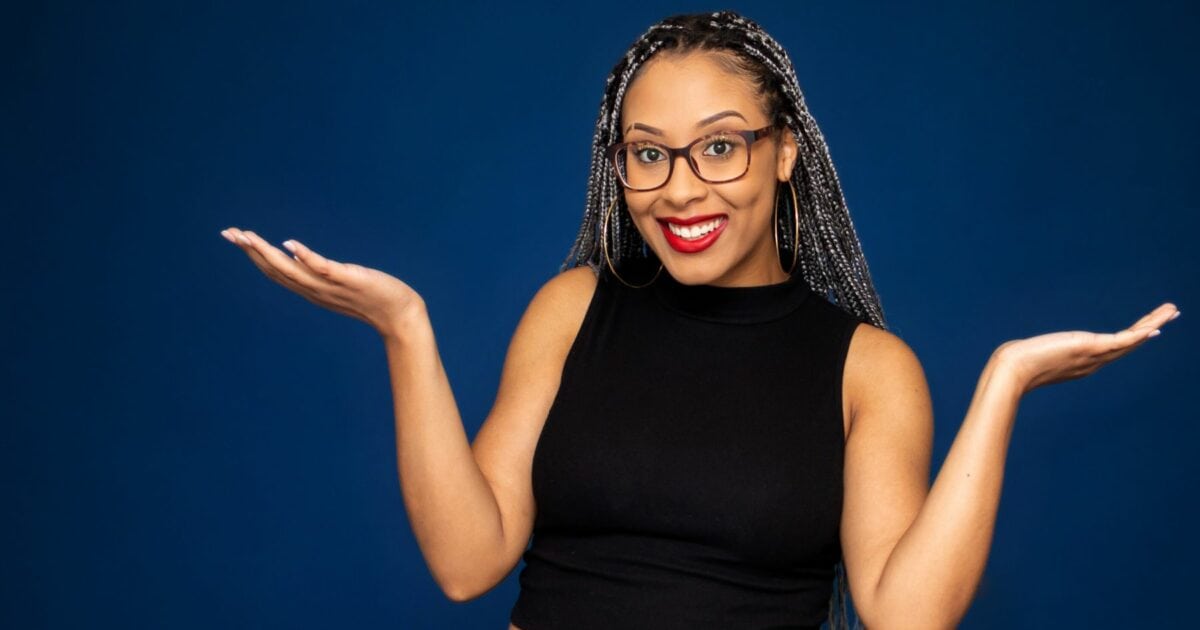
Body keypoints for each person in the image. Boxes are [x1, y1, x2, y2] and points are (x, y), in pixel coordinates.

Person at [219, 10, 1179, 629]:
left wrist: (1004, 382)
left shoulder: (868, 369)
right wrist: (407, 329)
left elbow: (903, 616)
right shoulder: (574, 305)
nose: (680, 190)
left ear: (785, 153)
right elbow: (470, 566)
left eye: (719, 147)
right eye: (648, 154)